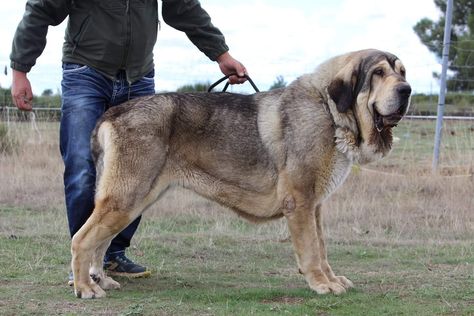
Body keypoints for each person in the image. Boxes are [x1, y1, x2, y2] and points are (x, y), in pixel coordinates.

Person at [10, 0, 247, 283]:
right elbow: (42, 9)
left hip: (139, 78)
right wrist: (20, 70)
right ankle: (84, 262)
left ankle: (112, 256)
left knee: (140, 175)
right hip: (85, 72)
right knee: (82, 167)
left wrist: (221, 54)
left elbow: (182, 7)